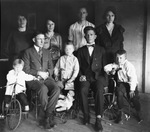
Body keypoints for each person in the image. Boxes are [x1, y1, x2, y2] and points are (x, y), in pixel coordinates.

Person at [22, 32, 60, 130]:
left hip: (47, 78)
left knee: (56, 88)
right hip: (33, 79)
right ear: (34, 40)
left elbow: (51, 67)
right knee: (43, 89)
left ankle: (47, 115)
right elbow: (25, 69)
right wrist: (38, 73)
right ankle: (48, 117)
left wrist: (47, 73)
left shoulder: (47, 52)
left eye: (44, 39)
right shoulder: (28, 52)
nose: (43, 41)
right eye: (39, 39)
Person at [77, 26, 107, 131]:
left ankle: (98, 119)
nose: (89, 36)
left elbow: (104, 67)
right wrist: (81, 76)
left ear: (95, 36)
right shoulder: (80, 51)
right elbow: (78, 67)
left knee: (99, 90)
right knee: (82, 90)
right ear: (84, 36)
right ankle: (86, 115)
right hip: (86, 77)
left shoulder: (101, 50)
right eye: (87, 34)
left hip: (98, 77)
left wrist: (104, 80)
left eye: (91, 34)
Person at [104, 49, 142, 124]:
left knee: (134, 98)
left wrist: (132, 90)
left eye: (121, 58)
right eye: (117, 58)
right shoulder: (116, 64)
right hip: (122, 84)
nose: (119, 60)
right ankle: (120, 113)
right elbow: (106, 67)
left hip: (131, 84)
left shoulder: (128, 65)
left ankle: (138, 112)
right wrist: (111, 70)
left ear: (125, 58)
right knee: (118, 93)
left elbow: (133, 78)